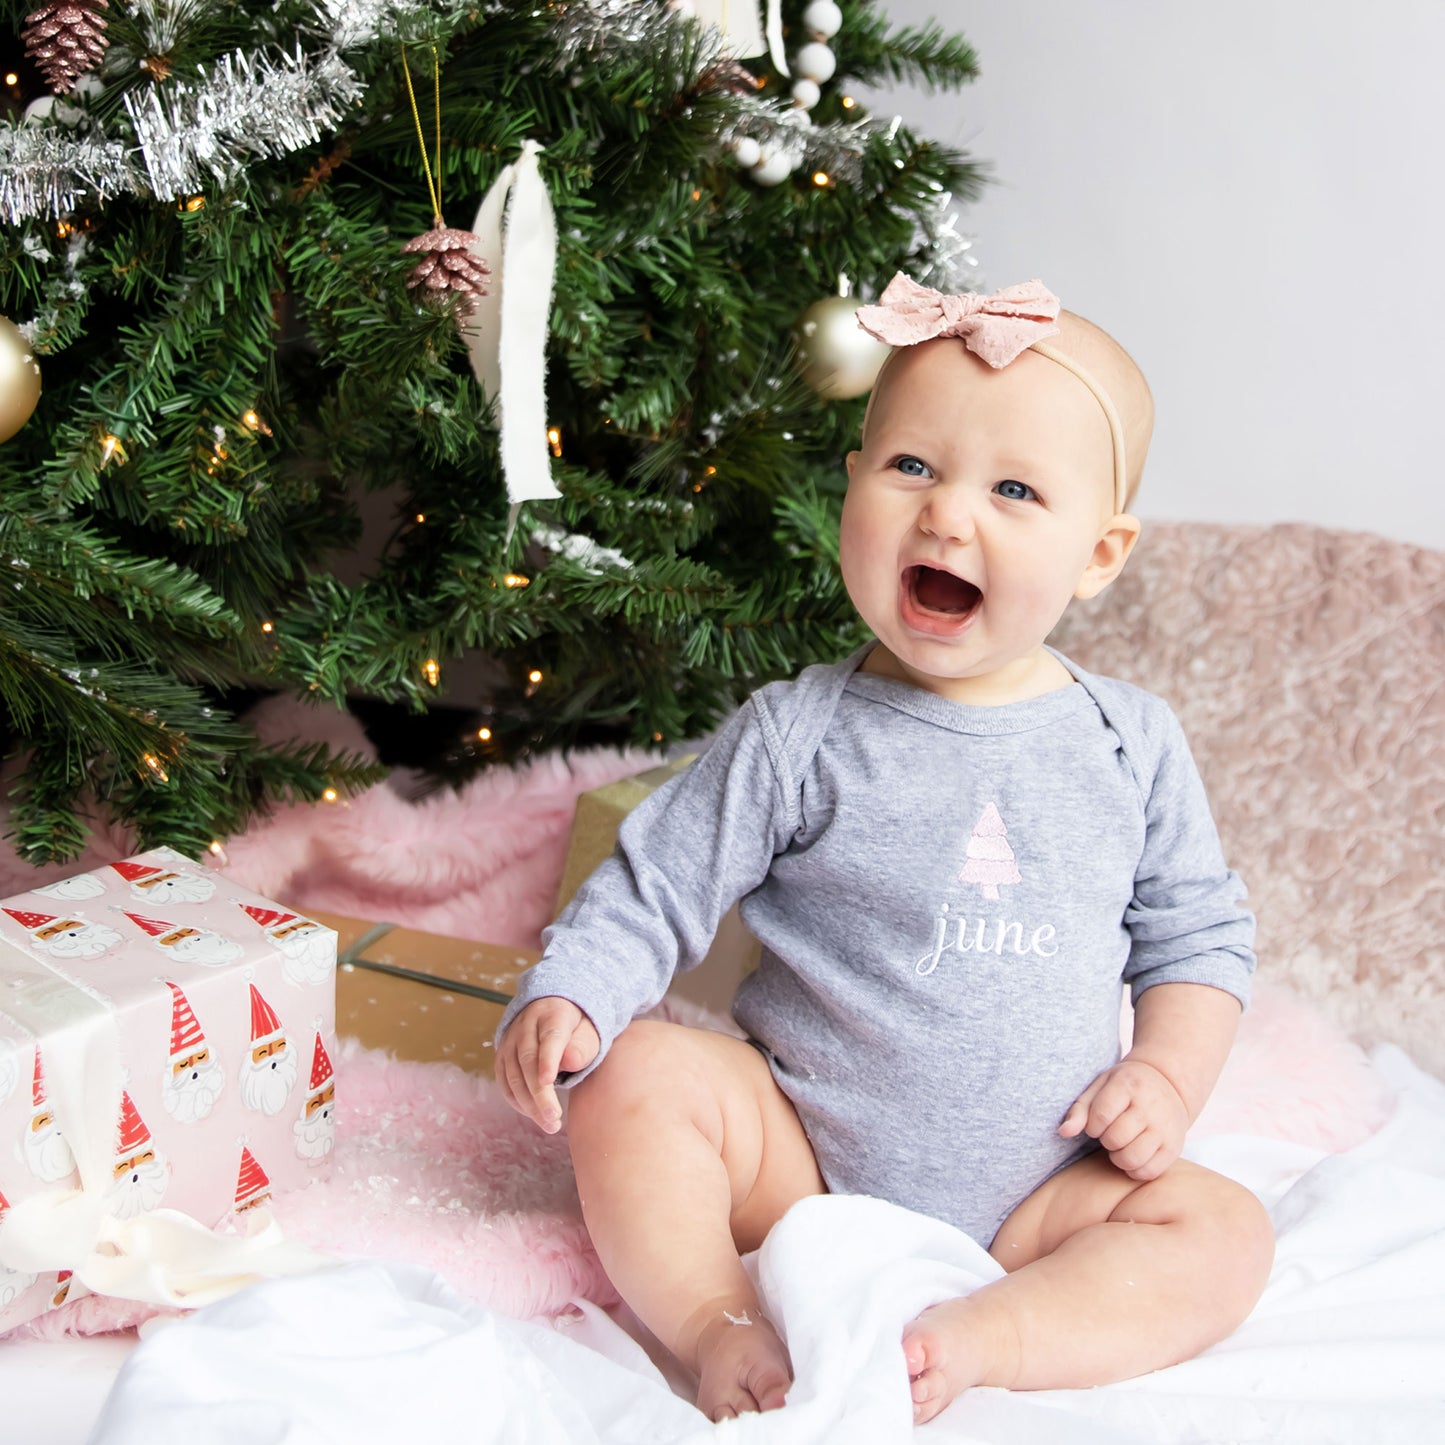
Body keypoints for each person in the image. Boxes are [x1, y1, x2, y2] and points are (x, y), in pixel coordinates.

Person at [494, 275, 1275, 1425]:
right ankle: (717, 1321)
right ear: (851, 484)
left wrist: (1162, 1073)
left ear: (1098, 553)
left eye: (1013, 489)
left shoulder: (1129, 744)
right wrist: (573, 990)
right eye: (911, 466)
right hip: (799, 1154)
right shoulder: (796, 731)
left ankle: (997, 1329)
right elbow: (656, 883)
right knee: (637, 1075)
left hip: (1042, 1182)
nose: (947, 516)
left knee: (1223, 1232)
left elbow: (1196, 938)